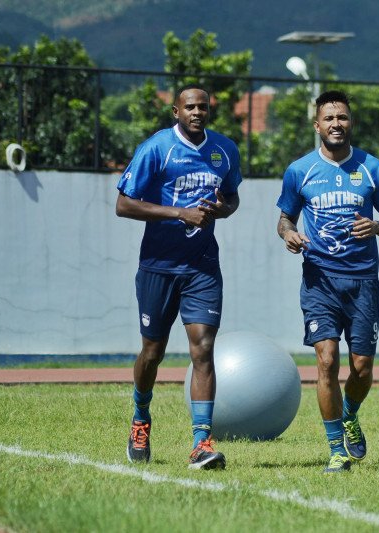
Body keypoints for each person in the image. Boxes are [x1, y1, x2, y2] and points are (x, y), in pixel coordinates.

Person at [116, 84, 241, 470]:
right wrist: (178, 213)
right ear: (176, 112)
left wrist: (223, 208)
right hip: (158, 266)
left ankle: (201, 442)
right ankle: (140, 418)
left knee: (202, 348)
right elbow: (123, 204)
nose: (197, 112)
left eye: (203, 106)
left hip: (202, 265)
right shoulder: (157, 148)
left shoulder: (225, 150)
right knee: (152, 352)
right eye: (190, 107)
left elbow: (232, 197)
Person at [276, 90, 379, 473]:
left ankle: (349, 413)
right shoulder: (300, 170)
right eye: (329, 118)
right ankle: (336, 450)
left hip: (363, 281)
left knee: (361, 368)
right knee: (326, 360)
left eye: (342, 118)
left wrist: (378, 225)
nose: (336, 124)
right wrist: (289, 235)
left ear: (351, 123)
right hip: (320, 281)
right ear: (317, 126)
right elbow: (284, 219)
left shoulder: (372, 168)